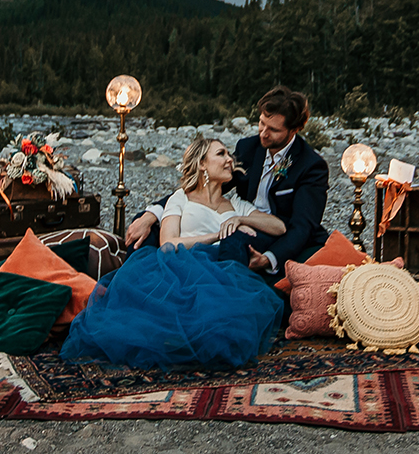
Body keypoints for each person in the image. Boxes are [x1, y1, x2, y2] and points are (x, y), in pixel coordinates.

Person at [61, 137, 287, 370]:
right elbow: (168, 241)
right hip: (181, 265)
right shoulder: (180, 198)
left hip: (222, 268)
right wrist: (215, 236)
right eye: (221, 154)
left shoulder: (237, 204)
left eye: (229, 154)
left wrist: (239, 219)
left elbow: (279, 227)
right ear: (201, 163)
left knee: (218, 324)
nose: (230, 160)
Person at [125, 85, 330, 279]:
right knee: (147, 226)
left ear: (293, 130)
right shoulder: (249, 148)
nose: (263, 133)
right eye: (261, 123)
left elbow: (302, 227)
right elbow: (205, 187)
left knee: (233, 238)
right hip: (242, 218)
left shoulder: (310, 165)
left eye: (273, 130)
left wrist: (269, 258)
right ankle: (132, 282)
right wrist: (151, 214)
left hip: (276, 233)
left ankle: (223, 298)